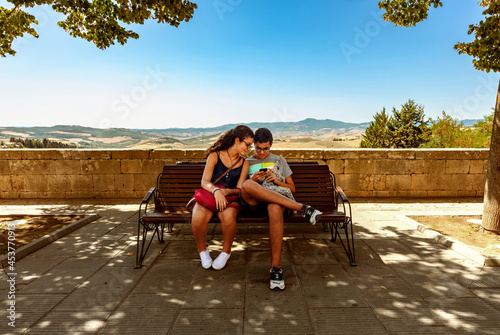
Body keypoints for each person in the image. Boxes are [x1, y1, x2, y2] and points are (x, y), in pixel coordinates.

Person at [240, 128, 322, 291]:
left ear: (271, 145)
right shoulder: (247, 162)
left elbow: (292, 188)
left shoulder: (279, 160)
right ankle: (303, 209)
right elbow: (241, 187)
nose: (262, 152)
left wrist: (277, 181)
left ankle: (275, 268)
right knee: (248, 184)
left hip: (277, 203)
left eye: (266, 148)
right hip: (255, 205)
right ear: (254, 145)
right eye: (258, 148)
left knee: (275, 206)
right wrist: (253, 179)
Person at [191, 125, 254, 270]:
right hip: (210, 196)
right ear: (237, 140)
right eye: (248, 144)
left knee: (228, 216)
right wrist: (216, 191)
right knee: (198, 216)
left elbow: (239, 189)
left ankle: (226, 252)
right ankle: (203, 251)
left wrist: (225, 193)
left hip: (230, 199)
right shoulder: (215, 155)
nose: (249, 149)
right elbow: (204, 181)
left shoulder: (244, 163)